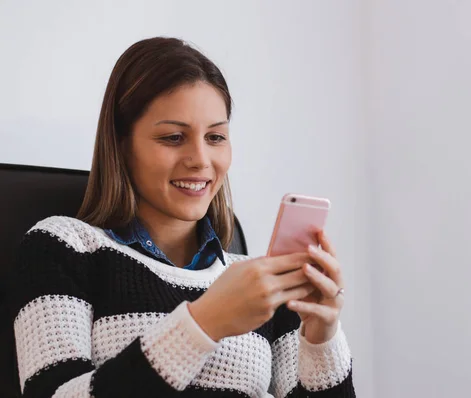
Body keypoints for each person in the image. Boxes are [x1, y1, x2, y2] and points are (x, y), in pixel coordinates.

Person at [9, 37, 355, 397]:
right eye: (174, 137)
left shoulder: (257, 283)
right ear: (122, 144)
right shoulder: (64, 247)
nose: (201, 160)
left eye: (216, 137)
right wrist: (205, 322)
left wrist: (321, 339)